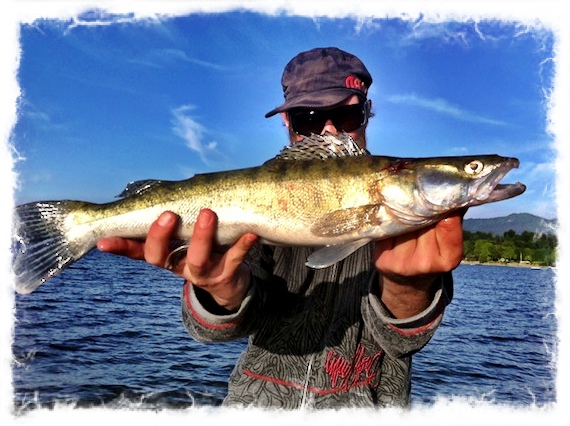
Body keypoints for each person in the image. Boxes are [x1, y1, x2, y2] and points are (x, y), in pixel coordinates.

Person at [97, 47, 464, 409]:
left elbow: (402, 343)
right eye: (308, 118)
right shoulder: (259, 200)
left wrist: (408, 287)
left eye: (346, 115)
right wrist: (221, 292)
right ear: (287, 122)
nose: (329, 130)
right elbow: (210, 331)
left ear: (366, 113)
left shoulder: (411, 219)